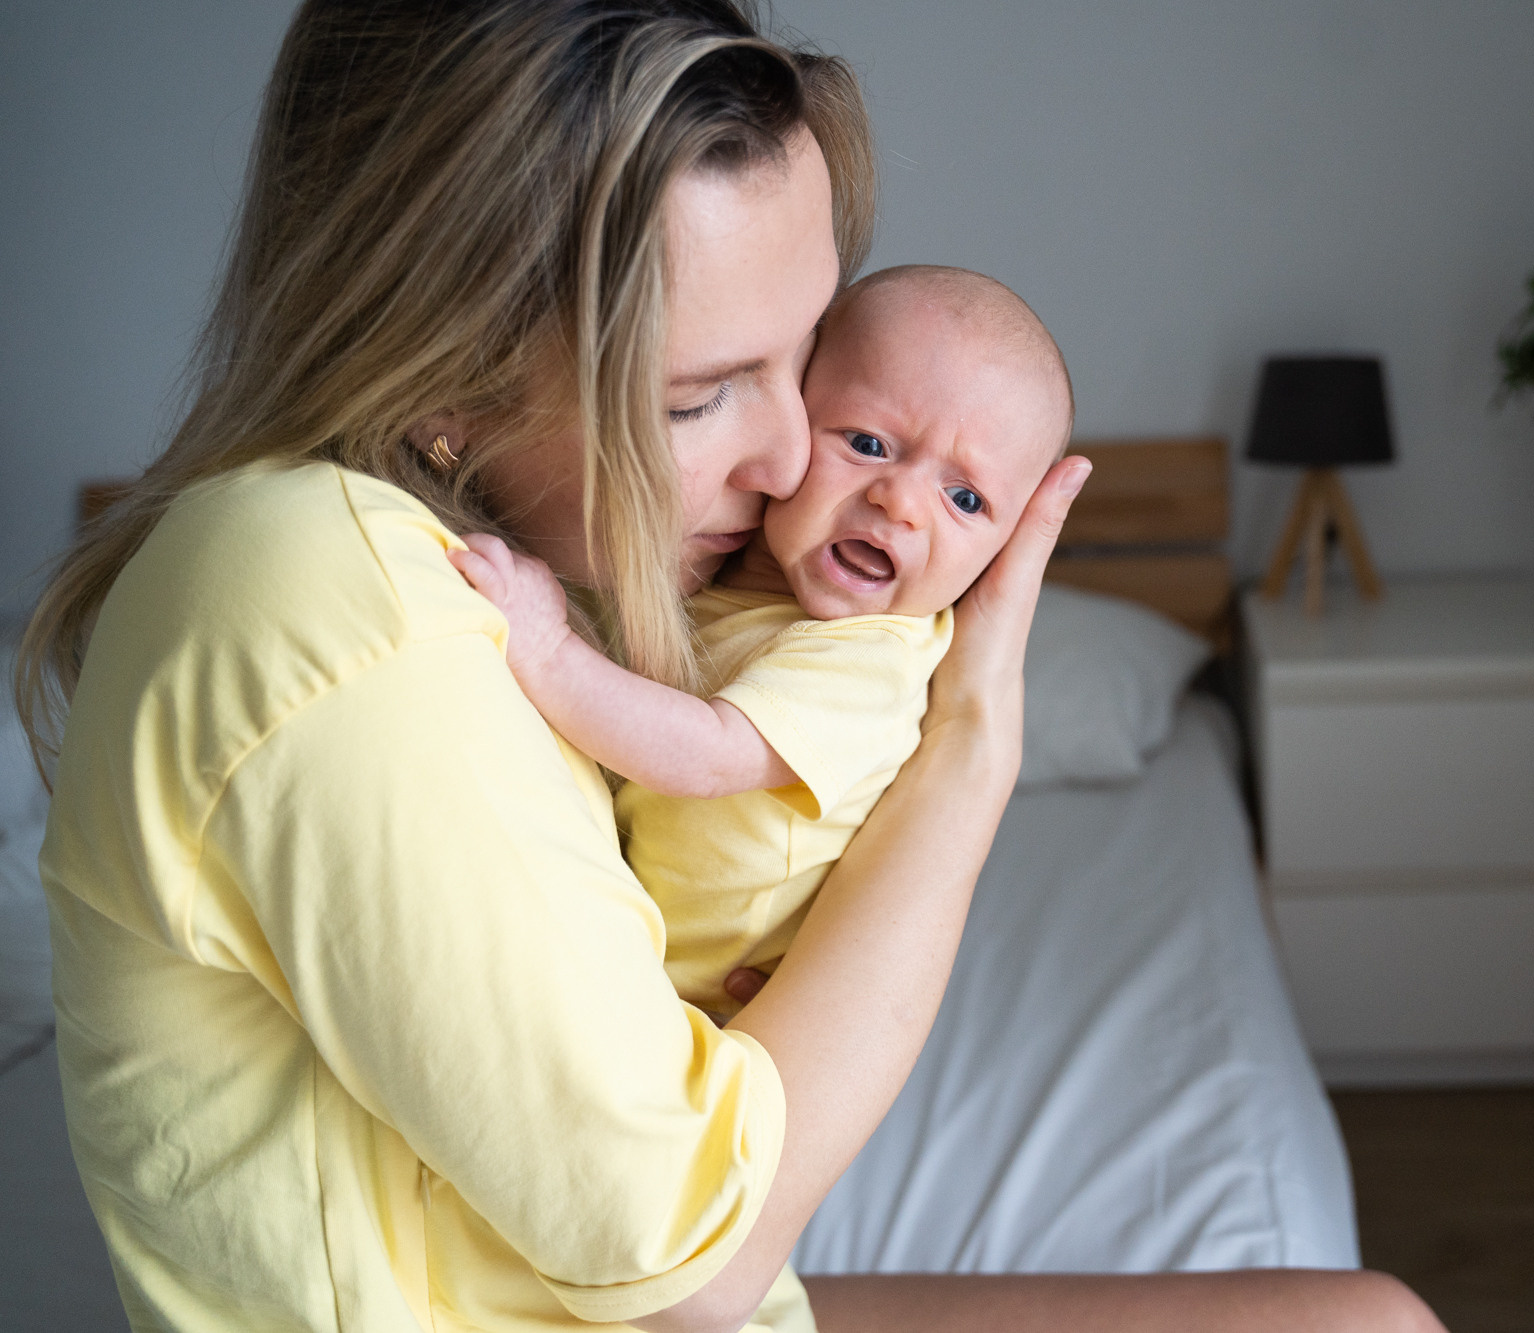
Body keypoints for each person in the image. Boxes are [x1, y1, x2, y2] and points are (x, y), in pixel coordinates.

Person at [14, 3, 1445, 1330]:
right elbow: (690, 1267)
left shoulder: (506, 560)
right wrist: (968, 756)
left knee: (1374, 1316)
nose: (787, 464)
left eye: (804, 362)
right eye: (700, 394)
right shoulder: (327, 599)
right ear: (442, 382)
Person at [450, 264, 1072, 1019]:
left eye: (966, 498)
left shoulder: (873, 659)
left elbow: (704, 755)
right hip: (620, 935)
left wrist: (549, 651)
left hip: (689, 996)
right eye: (868, 442)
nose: (900, 501)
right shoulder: (728, 572)